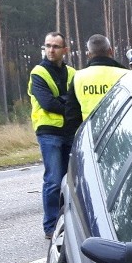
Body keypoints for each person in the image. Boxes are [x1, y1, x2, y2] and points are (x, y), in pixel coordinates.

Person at [28, 31, 80, 239]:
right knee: (53, 180)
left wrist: (63, 101)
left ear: (65, 50)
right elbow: (47, 103)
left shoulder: (73, 73)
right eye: (48, 45)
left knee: (71, 180)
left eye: (55, 46)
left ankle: (69, 222)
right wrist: (66, 102)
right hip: (49, 132)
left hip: (69, 131)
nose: (50, 50)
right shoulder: (38, 72)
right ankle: (51, 227)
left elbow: (76, 101)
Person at [65, 34, 128, 122]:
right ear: (111, 51)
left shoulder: (78, 77)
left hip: (89, 132)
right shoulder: (126, 75)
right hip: (120, 130)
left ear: (89, 54)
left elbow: (71, 114)